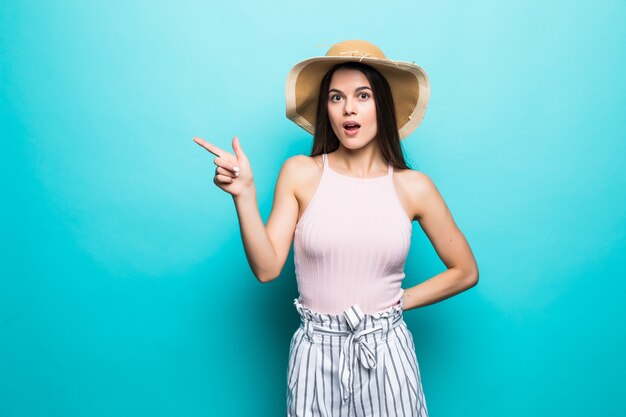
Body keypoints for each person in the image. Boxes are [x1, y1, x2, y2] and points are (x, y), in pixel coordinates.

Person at [193, 40, 479, 417]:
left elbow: (465, 271)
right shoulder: (300, 173)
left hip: (386, 351)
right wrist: (243, 195)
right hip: (315, 353)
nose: (349, 108)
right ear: (326, 109)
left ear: (383, 104)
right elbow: (266, 269)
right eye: (336, 97)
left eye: (363, 95)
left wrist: (398, 303)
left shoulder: (414, 186)